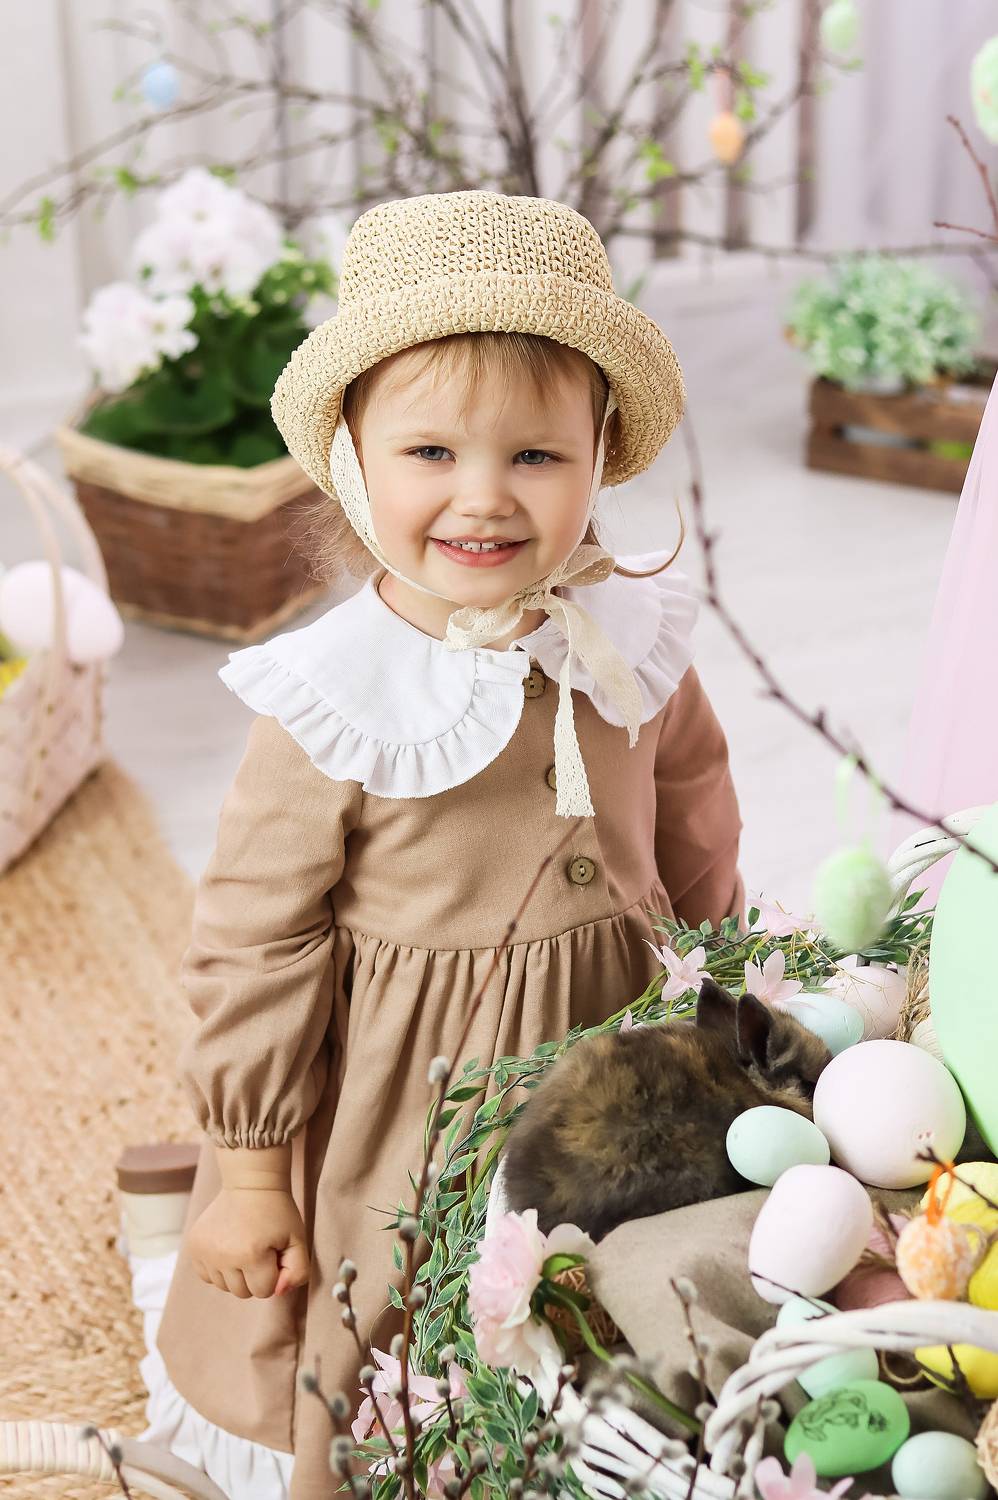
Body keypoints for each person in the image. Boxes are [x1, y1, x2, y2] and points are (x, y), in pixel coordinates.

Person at [148, 189, 745, 1500]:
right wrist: (250, 1173)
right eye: (429, 452)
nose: (484, 498)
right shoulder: (333, 698)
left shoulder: (629, 633)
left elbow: (693, 798)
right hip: (421, 1096)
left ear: (599, 453)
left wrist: (725, 983)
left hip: (622, 1042)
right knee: (412, 1309)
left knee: (620, 1282)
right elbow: (253, 941)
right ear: (353, 457)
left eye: (535, 455)